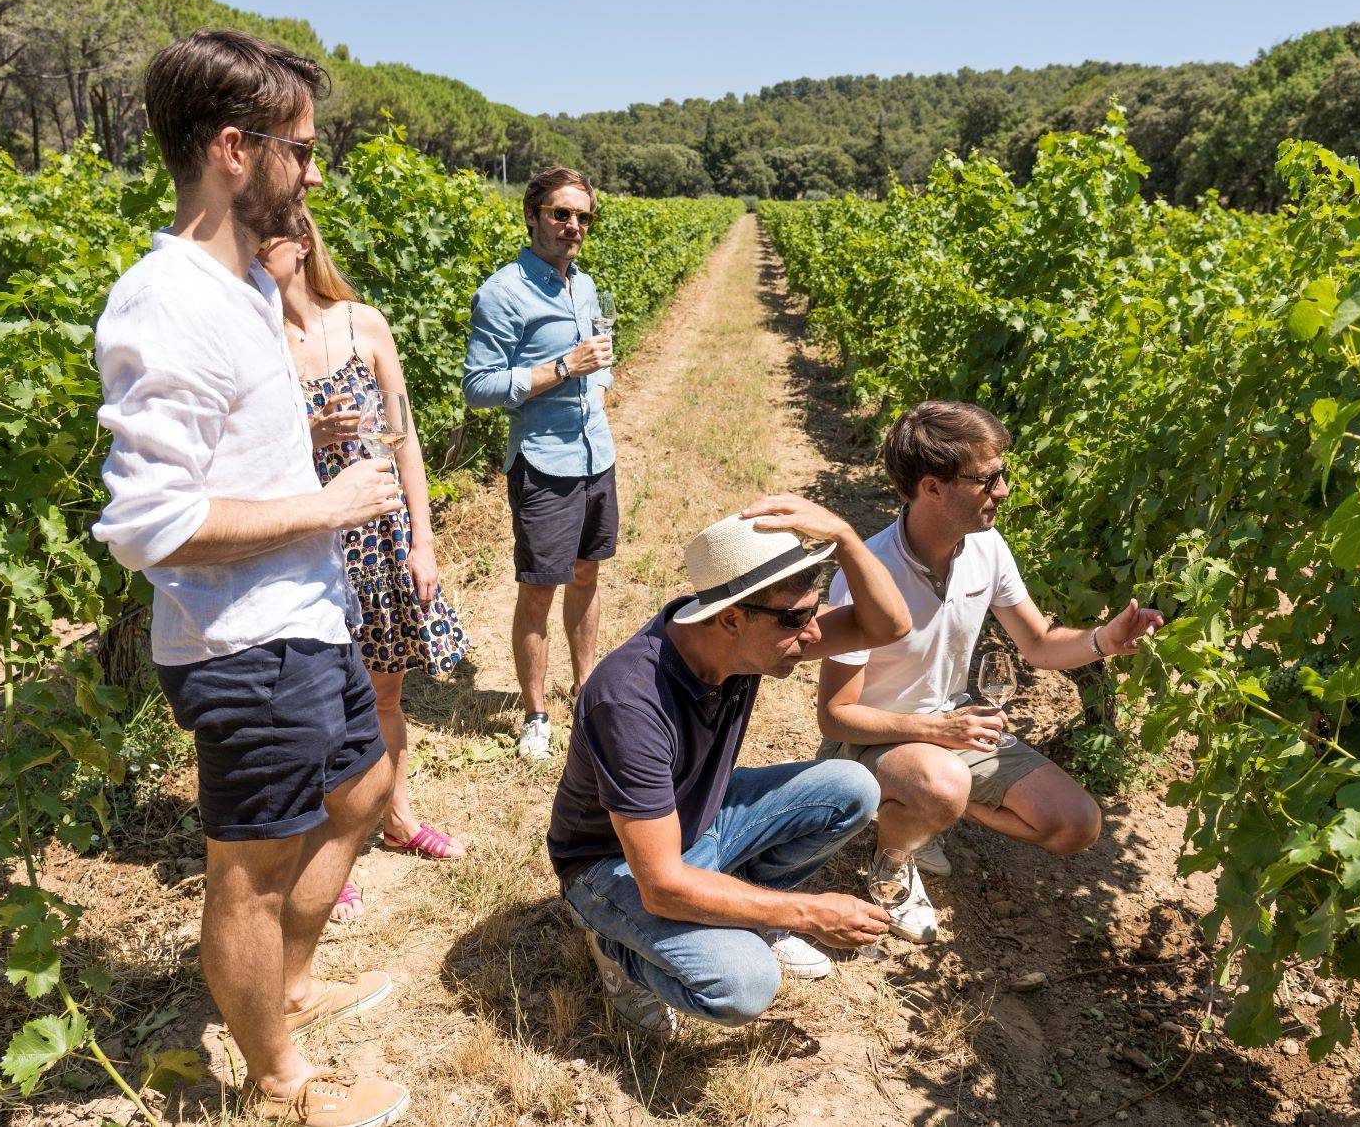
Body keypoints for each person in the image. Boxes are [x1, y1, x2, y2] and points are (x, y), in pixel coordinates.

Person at [92, 30, 408, 1126]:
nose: (315, 173)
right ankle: (281, 1083)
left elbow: (219, 445)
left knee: (365, 792)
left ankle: (283, 984)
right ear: (236, 148)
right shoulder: (165, 298)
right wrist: (328, 503)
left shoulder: (235, 291)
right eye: (303, 149)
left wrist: (299, 428)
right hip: (247, 645)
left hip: (304, 617)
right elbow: (150, 522)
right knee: (251, 873)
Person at [547, 495, 913, 1038]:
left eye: (814, 611)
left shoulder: (745, 640)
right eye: (796, 619)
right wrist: (805, 912)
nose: (813, 634)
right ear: (731, 618)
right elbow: (662, 884)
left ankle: (736, 905)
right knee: (743, 984)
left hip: (697, 818)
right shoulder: (630, 701)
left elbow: (887, 627)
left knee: (853, 786)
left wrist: (845, 535)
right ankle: (613, 944)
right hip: (612, 865)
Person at [816, 401, 1163, 944]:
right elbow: (836, 717)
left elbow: (1041, 644)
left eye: (1002, 474)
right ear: (932, 487)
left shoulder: (987, 547)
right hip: (869, 740)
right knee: (943, 784)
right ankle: (893, 856)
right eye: (987, 478)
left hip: (953, 729)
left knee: (1075, 825)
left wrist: (1103, 641)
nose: (1003, 490)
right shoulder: (868, 576)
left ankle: (926, 810)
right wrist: (936, 733)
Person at [259, 208, 472, 924]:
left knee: (384, 698)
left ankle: (398, 816)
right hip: (309, 543)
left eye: (280, 237)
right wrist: (304, 431)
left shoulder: (364, 324)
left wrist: (423, 540)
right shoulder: (256, 343)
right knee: (323, 713)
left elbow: (404, 438)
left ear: (306, 240)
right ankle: (329, 852)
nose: (270, 253)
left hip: (380, 537)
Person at [463, 166, 617, 761]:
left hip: (595, 454)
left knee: (587, 575)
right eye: (561, 213)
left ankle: (586, 695)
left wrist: (601, 379)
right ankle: (535, 716)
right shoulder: (502, 292)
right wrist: (562, 369)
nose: (573, 226)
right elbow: (477, 387)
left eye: (582, 216)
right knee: (539, 589)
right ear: (532, 216)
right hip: (543, 463)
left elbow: (594, 355)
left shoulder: (583, 283)